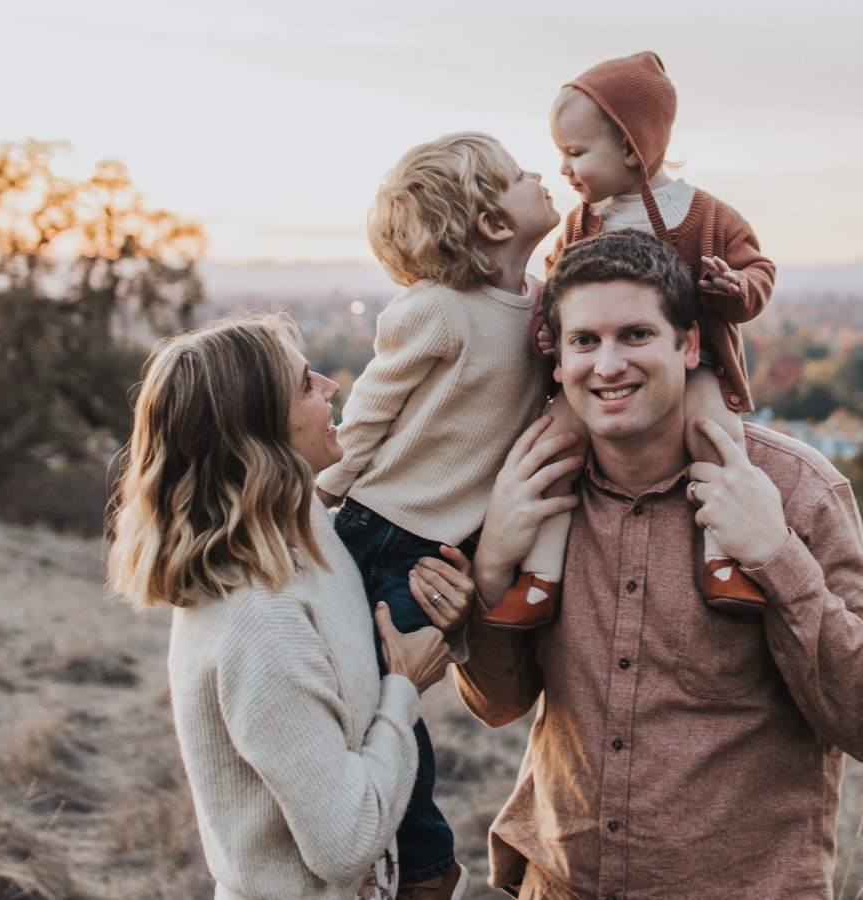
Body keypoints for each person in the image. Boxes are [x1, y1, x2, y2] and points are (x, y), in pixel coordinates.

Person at [457, 231, 863, 899]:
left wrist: (774, 556)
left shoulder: (797, 491)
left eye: (635, 334)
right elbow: (497, 704)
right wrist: (492, 567)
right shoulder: (531, 492)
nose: (607, 365)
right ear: (557, 361)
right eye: (585, 341)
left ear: (690, 345)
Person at [106, 313, 474, 900]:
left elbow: (350, 687)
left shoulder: (307, 539)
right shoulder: (259, 618)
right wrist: (406, 690)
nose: (331, 387)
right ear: (257, 431)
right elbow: (345, 843)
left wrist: (438, 620)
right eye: (306, 384)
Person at [313, 132, 562, 899]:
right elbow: (363, 422)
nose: (542, 174)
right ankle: (421, 865)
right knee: (373, 698)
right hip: (374, 531)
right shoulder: (440, 309)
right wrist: (306, 514)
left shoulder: (544, 307)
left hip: (439, 552)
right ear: (490, 223)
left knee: (388, 697)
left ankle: (412, 863)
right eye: (521, 175)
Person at [487, 51, 777, 630]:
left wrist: (731, 285)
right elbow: (558, 290)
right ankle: (541, 577)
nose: (564, 170)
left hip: (692, 370)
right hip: (594, 379)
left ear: (630, 148)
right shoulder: (579, 223)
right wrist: (549, 332)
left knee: (718, 440)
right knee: (554, 452)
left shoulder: (706, 217)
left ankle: (724, 560)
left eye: (575, 153)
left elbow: (758, 275)